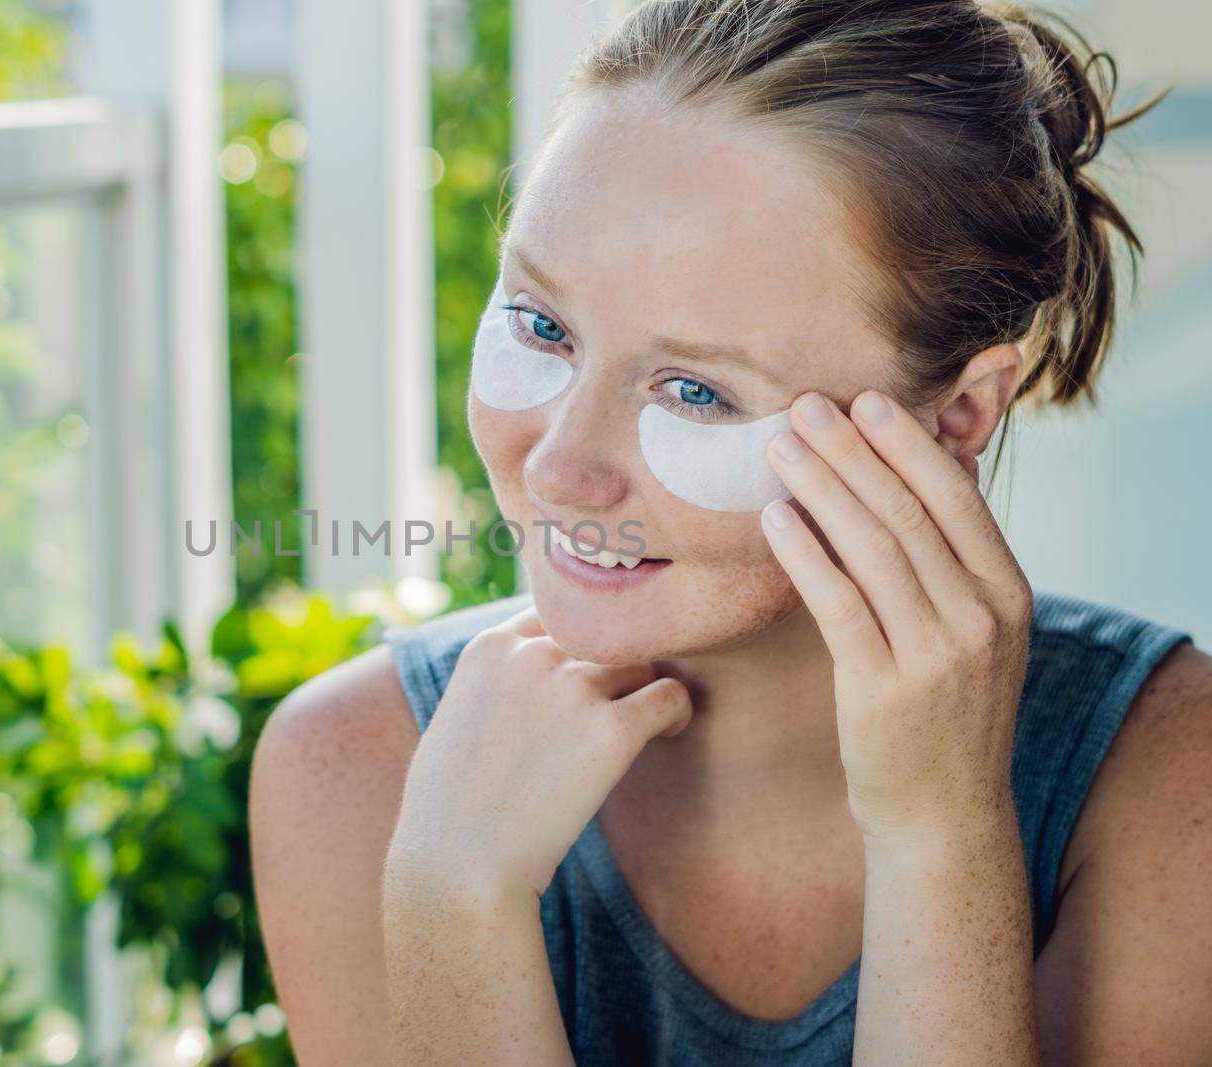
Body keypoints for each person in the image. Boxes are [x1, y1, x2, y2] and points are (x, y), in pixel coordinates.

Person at [249, 1, 1212, 1063]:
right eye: (540, 325)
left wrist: (938, 838)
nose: (560, 465)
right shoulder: (350, 766)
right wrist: (453, 904)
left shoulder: (1167, 775)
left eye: (696, 390)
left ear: (956, 416)